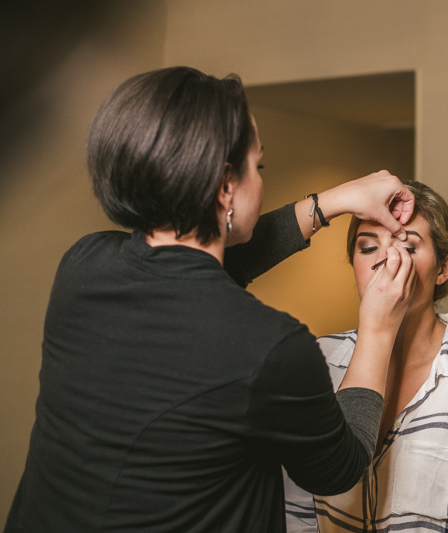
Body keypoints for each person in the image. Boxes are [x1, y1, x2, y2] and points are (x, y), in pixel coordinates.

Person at [4, 67, 418, 533]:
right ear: (226, 185)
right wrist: (378, 329)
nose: (260, 179)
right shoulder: (269, 346)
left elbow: (205, 269)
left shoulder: (83, 266)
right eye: (256, 167)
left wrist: (336, 201)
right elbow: (337, 469)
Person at [283, 181, 448, 533]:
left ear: (443, 269)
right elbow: (297, 515)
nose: (387, 259)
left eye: (407, 246)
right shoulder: (319, 360)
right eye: (368, 247)